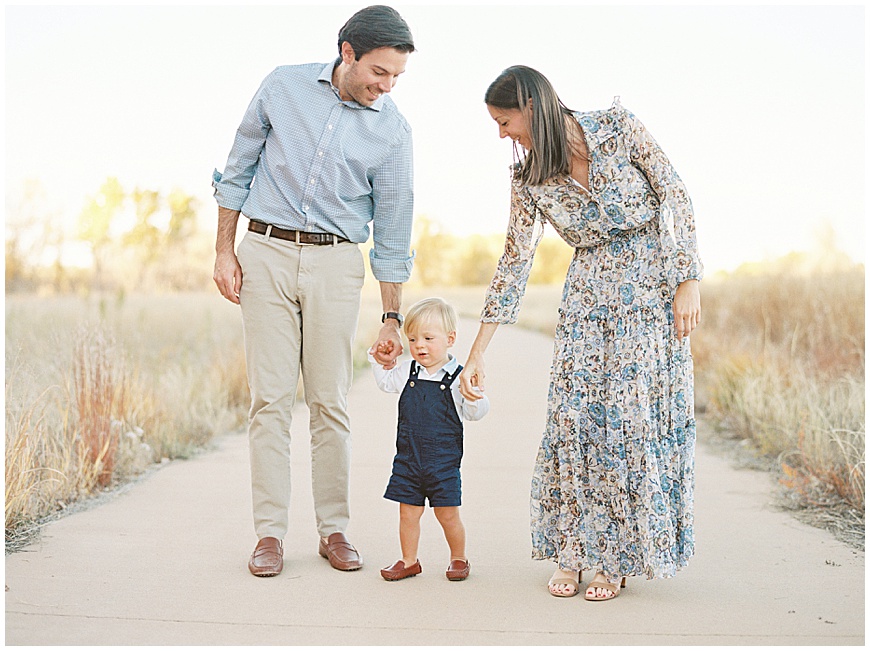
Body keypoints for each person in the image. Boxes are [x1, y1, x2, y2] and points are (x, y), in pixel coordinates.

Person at [460, 66, 702, 602]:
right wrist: (477, 354)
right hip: (587, 297)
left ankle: (613, 557)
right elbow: (514, 263)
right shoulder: (529, 181)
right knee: (574, 419)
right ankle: (572, 549)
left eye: (504, 121)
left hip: (650, 290)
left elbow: (674, 193)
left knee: (630, 421)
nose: (502, 135)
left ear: (530, 104)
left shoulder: (619, 126)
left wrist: (687, 277)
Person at [211, 5, 416, 578]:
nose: (387, 85)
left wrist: (392, 317)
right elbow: (239, 166)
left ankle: (334, 530)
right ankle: (270, 535)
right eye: (379, 71)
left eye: (396, 76)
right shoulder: (283, 85)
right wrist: (224, 250)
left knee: (330, 401)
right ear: (347, 52)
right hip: (266, 253)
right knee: (270, 400)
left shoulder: (393, 130)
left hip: (335, 262)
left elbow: (394, 228)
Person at [369, 298, 490, 581]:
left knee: (447, 516)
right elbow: (386, 382)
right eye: (412, 339)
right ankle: (409, 560)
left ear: (450, 339)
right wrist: (378, 359)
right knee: (408, 515)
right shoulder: (408, 371)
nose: (419, 346)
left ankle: (458, 558)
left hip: (443, 465)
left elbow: (476, 413)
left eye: (428, 338)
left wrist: (475, 395)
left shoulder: (459, 377)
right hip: (408, 460)